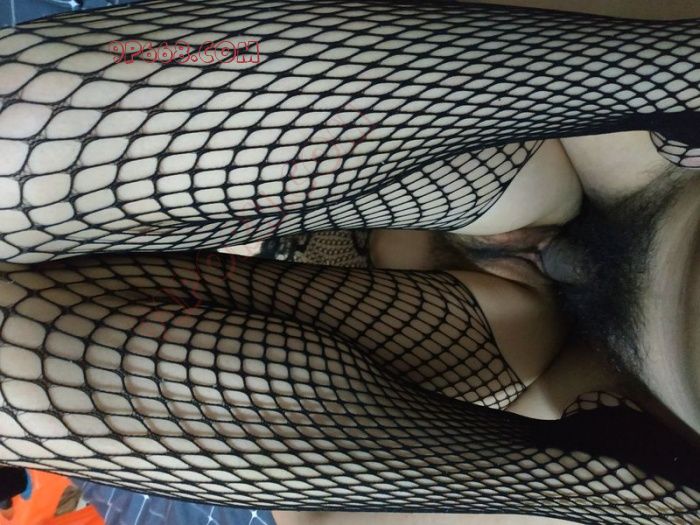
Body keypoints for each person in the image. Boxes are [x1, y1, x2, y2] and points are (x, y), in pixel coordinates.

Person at [0, 1, 698, 524]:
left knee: (18, 375)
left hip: (560, 402)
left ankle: (611, 487)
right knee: (18, 142)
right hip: (593, 154)